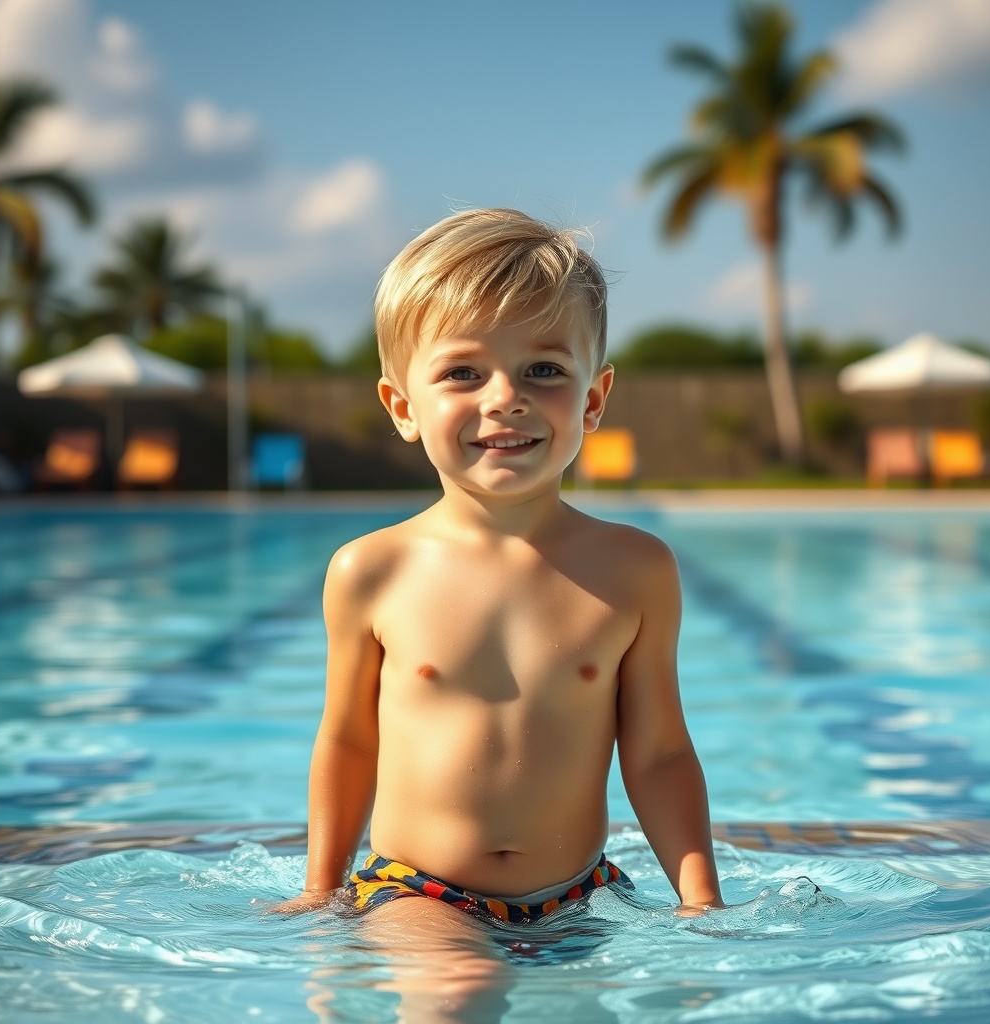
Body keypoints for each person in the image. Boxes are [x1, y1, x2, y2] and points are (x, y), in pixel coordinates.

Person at [273, 209, 720, 1006]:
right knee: (458, 990)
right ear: (402, 405)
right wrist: (322, 887)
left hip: (578, 894)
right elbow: (348, 739)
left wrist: (699, 899)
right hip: (418, 893)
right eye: (462, 373)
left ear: (594, 397)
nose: (506, 398)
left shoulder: (635, 569)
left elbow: (658, 754)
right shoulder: (372, 570)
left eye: (545, 370)